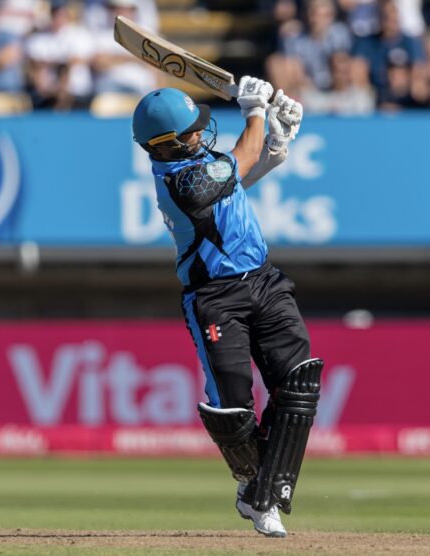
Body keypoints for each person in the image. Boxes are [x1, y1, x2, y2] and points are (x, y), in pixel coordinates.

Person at [131, 80, 323, 537]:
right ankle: (253, 485)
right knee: (232, 412)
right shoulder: (180, 181)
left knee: (298, 384)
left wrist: (278, 141)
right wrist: (256, 109)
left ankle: (266, 494)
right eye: (192, 131)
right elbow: (241, 162)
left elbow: (241, 177)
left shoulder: (201, 166)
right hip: (215, 298)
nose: (201, 132)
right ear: (169, 143)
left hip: (264, 281)